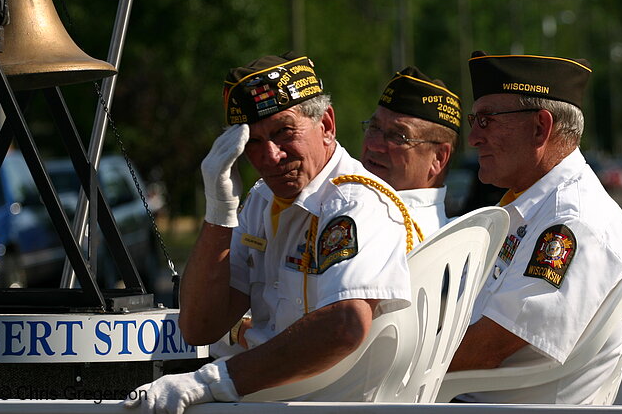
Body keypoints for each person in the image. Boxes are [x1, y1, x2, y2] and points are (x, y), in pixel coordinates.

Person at [126, 52, 413, 414]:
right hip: (266, 397)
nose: (270, 156)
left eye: (283, 132)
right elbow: (199, 327)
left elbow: (345, 324)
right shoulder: (263, 200)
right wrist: (218, 212)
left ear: (326, 124)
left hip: (328, 404)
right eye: (253, 143)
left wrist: (209, 383)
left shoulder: (355, 203)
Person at [448, 52, 622, 404]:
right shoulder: (537, 208)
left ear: (540, 127)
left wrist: (382, 364)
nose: (473, 137)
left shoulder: (570, 222)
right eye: (473, 120)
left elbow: (486, 348)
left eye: (487, 120)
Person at [361, 66, 461, 237]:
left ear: (438, 158)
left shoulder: (413, 237)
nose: (374, 145)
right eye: (374, 127)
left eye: (398, 136)